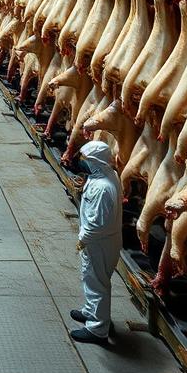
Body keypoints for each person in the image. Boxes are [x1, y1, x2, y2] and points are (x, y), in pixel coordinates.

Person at [70, 140, 123, 345]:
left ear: (96, 162)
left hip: (99, 242)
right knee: (91, 279)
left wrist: (83, 240)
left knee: (97, 282)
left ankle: (98, 329)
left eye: (86, 159)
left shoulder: (103, 188)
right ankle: (91, 312)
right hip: (101, 241)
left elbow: (98, 223)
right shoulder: (105, 175)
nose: (83, 162)